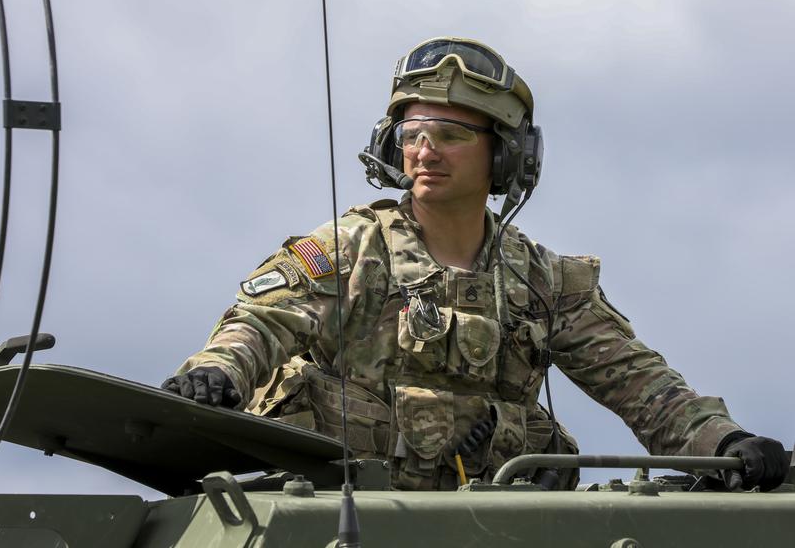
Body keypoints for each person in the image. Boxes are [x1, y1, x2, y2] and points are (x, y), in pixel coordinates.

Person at [162, 37, 788, 491]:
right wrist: (214, 376)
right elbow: (262, 324)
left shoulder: (543, 281)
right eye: (411, 134)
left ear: (507, 158)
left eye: (451, 135)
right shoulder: (350, 247)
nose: (425, 152)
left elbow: (640, 384)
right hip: (343, 513)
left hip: (491, 519)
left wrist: (725, 442)